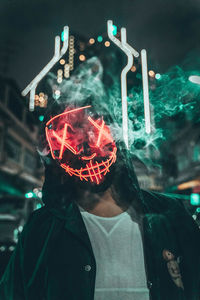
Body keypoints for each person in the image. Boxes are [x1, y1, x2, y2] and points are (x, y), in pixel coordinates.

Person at [0, 57, 200, 300]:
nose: (84, 148)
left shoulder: (171, 216)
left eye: (91, 129)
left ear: (114, 134)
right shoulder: (41, 231)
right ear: (54, 156)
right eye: (68, 137)